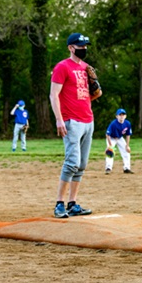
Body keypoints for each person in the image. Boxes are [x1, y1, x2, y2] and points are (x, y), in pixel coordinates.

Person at [49, 32, 102, 218]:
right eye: (80, 46)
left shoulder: (86, 67)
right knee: (71, 163)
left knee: (81, 164)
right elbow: (53, 94)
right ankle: (59, 204)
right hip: (71, 120)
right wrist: (59, 119)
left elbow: (94, 94)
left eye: (86, 46)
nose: (84, 49)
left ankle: (72, 204)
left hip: (88, 120)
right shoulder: (62, 67)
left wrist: (97, 90)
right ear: (71, 48)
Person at [105, 108, 134, 174]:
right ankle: (108, 168)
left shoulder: (127, 123)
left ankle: (126, 168)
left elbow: (128, 135)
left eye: (123, 115)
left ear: (125, 116)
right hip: (111, 138)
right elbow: (107, 134)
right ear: (116, 116)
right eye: (120, 115)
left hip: (120, 138)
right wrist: (110, 145)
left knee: (126, 151)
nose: (121, 116)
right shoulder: (113, 124)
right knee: (110, 152)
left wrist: (127, 146)